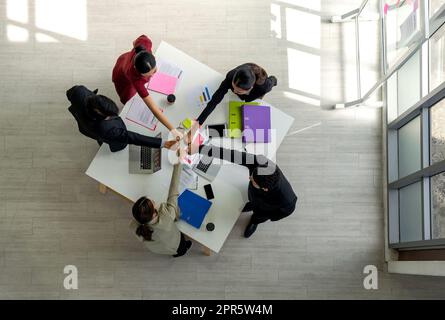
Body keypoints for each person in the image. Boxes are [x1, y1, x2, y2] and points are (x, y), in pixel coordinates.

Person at [190, 143, 297, 238]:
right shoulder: (262, 163)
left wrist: (261, 214)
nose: (249, 178)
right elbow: (231, 155)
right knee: (250, 200)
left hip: (264, 210)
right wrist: (200, 148)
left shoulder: (287, 201)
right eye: (252, 175)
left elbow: (276, 216)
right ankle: (251, 203)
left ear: (264, 188)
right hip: (253, 195)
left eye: (253, 180)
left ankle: (254, 221)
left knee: (259, 216)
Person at [66, 85, 177, 152]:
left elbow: (69, 93)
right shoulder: (107, 130)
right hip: (99, 133)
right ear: (100, 115)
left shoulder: (79, 91)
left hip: (83, 122)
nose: (114, 116)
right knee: (108, 141)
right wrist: (163, 144)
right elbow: (132, 137)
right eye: (110, 116)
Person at [112, 34, 181, 139]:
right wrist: (173, 129)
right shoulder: (135, 79)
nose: (153, 75)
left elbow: (135, 41)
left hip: (126, 59)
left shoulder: (145, 43)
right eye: (150, 75)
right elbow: (153, 108)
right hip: (122, 75)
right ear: (138, 72)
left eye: (155, 70)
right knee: (127, 98)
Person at [129, 153, 192, 257]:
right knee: (182, 247)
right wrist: (178, 163)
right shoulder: (167, 217)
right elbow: (173, 190)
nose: (153, 201)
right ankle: (184, 249)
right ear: (154, 214)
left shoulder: (134, 227)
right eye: (152, 203)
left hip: (157, 248)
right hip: (176, 246)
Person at [196, 63, 278, 125]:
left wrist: (274, 81)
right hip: (245, 71)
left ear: (250, 88)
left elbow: (273, 79)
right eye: (233, 87)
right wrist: (199, 122)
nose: (234, 92)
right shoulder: (230, 76)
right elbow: (215, 100)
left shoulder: (264, 87)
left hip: (257, 84)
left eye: (238, 91)